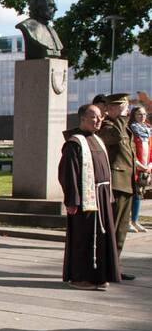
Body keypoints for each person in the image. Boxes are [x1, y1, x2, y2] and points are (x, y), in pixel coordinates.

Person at [59, 103, 120, 289]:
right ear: (83, 118)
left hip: (101, 196)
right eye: (94, 116)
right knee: (83, 238)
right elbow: (68, 173)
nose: (99, 120)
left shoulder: (98, 140)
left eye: (100, 116)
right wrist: (72, 200)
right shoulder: (74, 143)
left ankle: (98, 275)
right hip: (85, 199)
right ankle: (80, 277)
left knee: (101, 237)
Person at [99, 93, 136, 279]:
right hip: (116, 185)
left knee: (121, 231)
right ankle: (105, 268)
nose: (127, 111)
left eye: (126, 107)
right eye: (123, 108)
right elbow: (114, 138)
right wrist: (120, 117)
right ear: (111, 109)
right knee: (112, 229)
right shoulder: (108, 126)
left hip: (127, 184)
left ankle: (115, 267)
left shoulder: (124, 127)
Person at [128, 104, 151, 232]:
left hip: (145, 169)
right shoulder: (131, 130)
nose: (142, 117)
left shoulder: (148, 130)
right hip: (135, 168)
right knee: (132, 195)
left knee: (139, 196)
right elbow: (130, 152)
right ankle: (128, 222)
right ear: (133, 116)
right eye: (139, 114)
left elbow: (151, 151)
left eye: (144, 114)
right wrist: (140, 165)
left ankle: (135, 221)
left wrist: (149, 166)